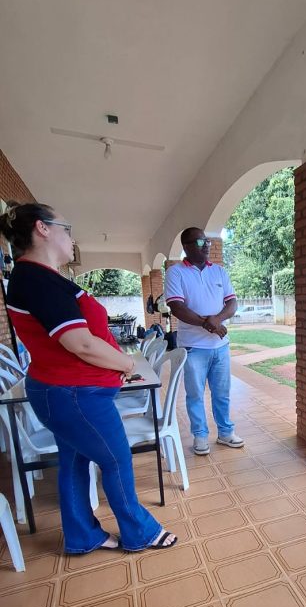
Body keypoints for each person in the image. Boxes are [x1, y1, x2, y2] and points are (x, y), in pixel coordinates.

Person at [1, 202, 177, 553]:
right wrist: (125, 364)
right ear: (42, 228)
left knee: (75, 458)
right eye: (66, 229)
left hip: (67, 391)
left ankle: (83, 535)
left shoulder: (37, 277)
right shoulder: (37, 280)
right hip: (74, 394)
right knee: (115, 459)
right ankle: (139, 532)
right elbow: (80, 343)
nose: (72, 238)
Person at [165, 227, 244, 455]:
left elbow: (232, 303)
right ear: (186, 246)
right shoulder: (176, 273)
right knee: (195, 394)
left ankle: (225, 432)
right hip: (193, 347)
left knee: (222, 392)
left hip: (220, 346)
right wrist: (208, 324)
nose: (206, 245)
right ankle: (200, 436)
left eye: (207, 241)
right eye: (200, 242)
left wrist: (216, 320)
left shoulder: (219, 272)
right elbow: (177, 307)